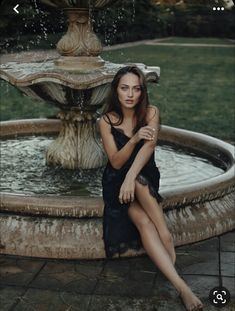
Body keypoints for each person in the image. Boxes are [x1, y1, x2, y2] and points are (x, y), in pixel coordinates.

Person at [99, 65, 203, 311]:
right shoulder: (105, 121)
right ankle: (182, 288)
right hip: (116, 183)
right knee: (144, 222)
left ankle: (165, 234)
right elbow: (115, 162)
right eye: (124, 88)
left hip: (143, 176)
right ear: (116, 90)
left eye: (136, 89)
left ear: (142, 91)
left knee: (137, 181)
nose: (130, 94)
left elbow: (149, 148)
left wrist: (131, 177)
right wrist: (134, 138)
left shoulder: (151, 113)